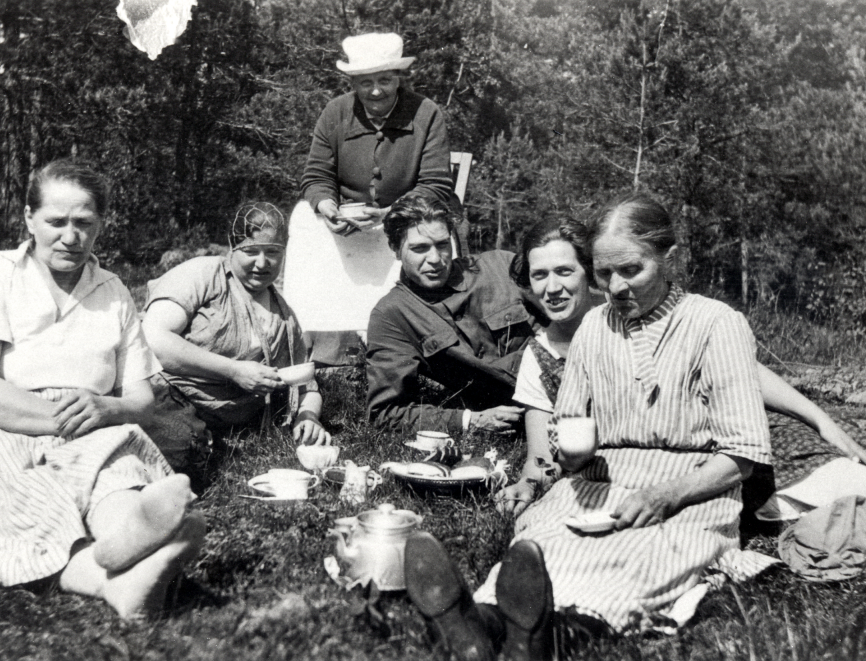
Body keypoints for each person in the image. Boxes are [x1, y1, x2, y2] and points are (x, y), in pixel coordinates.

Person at [401, 194, 815, 659]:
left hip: (690, 489)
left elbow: (743, 456)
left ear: (668, 257)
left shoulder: (716, 324)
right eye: (604, 273)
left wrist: (666, 496)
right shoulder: (594, 327)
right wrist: (570, 456)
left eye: (631, 270)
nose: (616, 287)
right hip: (598, 479)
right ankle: (481, 622)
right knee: (546, 542)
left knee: (643, 553)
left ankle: (553, 634)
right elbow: (566, 433)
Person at [0, 159, 204, 621]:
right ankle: (118, 574)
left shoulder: (113, 292)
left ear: (101, 224)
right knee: (25, 496)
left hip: (91, 421)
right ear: (29, 218)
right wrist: (62, 423)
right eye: (56, 222)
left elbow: (142, 400)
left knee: (115, 467)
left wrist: (108, 408)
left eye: (84, 223)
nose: (70, 236)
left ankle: (129, 536)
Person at [495, 216, 866, 515]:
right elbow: (541, 455)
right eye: (539, 275)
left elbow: (746, 372)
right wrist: (528, 485)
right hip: (642, 466)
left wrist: (821, 420)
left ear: (589, 272)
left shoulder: (632, 309)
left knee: (829, 467)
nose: (552, 288)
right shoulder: (539, 358)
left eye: (564, 271)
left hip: (722, 434)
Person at [290, 32, 458, 366]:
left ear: (398, 78)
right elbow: (316, 176)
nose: (376, 90)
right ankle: (322, 342)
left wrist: (390, 213)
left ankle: (407, 344)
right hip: (348, 224)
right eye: (366, 82)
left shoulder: (426, 113)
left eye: (385, 80)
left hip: (409, 218)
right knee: (304, 219)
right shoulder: (336, 112)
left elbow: (435, 184)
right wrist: (327, 206)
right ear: (353, 83)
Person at [141, 202, 331, 471]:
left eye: (273, 252)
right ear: (232, 247)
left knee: (194, 452)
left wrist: (308, 416)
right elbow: (154, 339)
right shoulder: (203, 275)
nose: (262, 263)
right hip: (172, 395)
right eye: (251, 251)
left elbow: (306, 384)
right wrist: (233, 370)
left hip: (227, 418)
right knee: (179, 453)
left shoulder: (284, 316)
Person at [365, 193, 531, 434]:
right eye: (419, 248)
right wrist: (471, 421)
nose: (435, 259)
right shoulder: (392, 315)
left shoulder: (501, 266)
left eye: (443, 245)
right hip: (519, 417)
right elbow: (385, 412)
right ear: (395, 249)